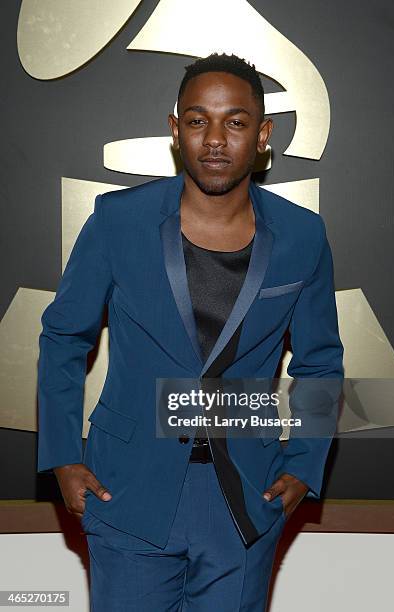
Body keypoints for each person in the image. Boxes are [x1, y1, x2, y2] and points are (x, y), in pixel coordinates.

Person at [37, 53, 344, 611]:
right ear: (176, 130)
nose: (216, 139)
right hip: (127, 488)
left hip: (244, 496)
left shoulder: (303, 235)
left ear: (263, 133)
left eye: (236, 121)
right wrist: (61, 454)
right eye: (199, 120)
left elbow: (320, 360)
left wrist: (303, 462)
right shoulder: (117, 220)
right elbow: (63, 338)